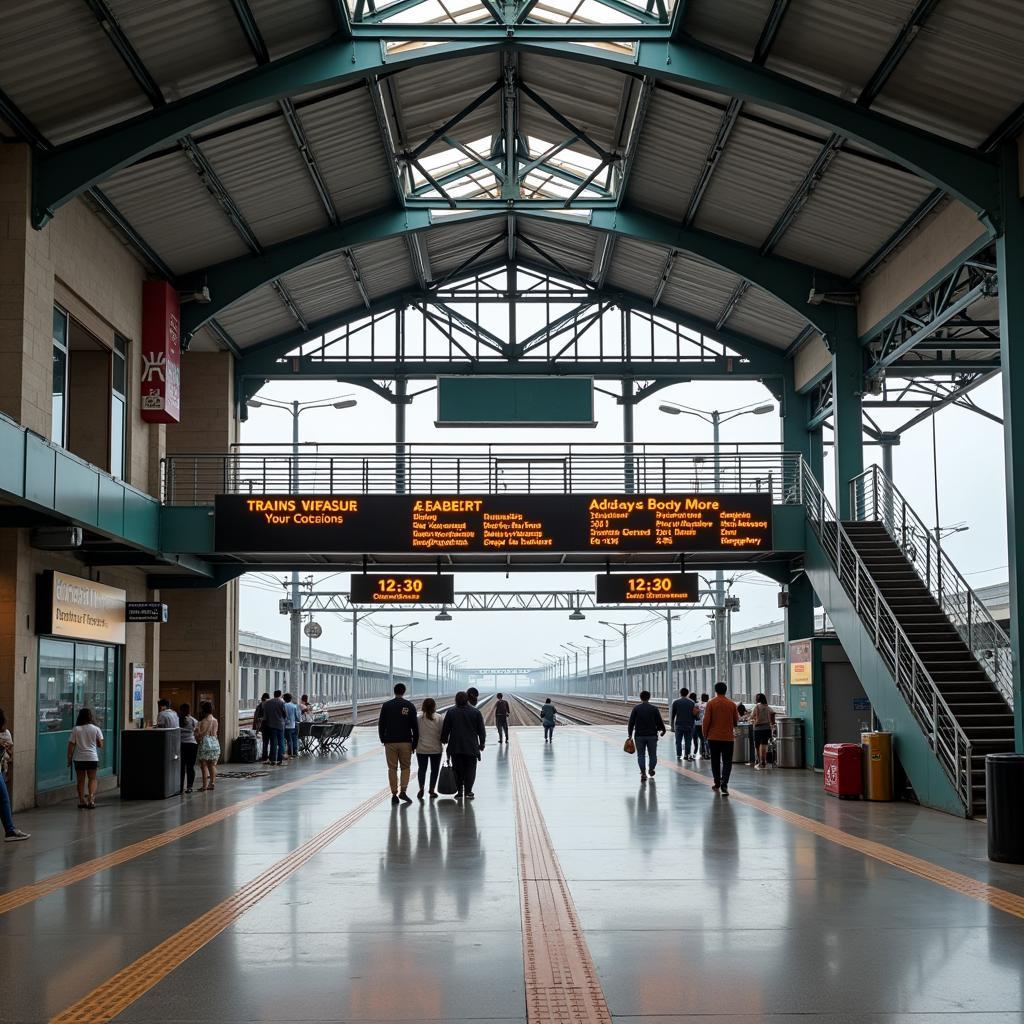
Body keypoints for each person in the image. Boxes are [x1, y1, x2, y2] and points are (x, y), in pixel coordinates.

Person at [378, 682, 419, 805]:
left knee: (392, 768)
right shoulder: (409, 705)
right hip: (406, 742)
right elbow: (415, 727)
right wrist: (415, 743)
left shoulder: (386, 705)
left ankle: (394, 794)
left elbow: (381, 724)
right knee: (405, 767)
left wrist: (383, 739)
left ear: (394, 691)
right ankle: (403, 791)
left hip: (390, 742)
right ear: (404, 691)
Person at [440, 691, 486, 800]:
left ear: (456, 700)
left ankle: (460, 791)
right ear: (467, 700)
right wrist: (482, 743)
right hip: (471, 747)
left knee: (457, 770)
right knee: (470, 770)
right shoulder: (475, 712)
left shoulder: (451, 712)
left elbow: (446, 729)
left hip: (456, 747)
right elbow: (481, 730)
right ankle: (469, 791)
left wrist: (444, 739)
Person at [703, 682, 740, 795]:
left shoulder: (711, 703)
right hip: (728, 738)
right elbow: (736, 721)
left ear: (715, 690)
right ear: (726, 690)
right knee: (727, 761)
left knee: (715, 760)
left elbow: (706, 720)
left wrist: (705, 734)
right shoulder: (732, 704)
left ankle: (717, 782)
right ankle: (725, 783)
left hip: (713, 737)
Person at [0, 708, 29, 841]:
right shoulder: (4, 735)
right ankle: (10, 831)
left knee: (4, 800)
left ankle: (10, 830)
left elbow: (10, 755)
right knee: (4, 800)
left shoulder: (5, 735)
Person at [67, 707, 103, 809]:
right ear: (91, 717)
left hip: (79, 759)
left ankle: (82, 800)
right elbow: (100, 745)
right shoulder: (96, 729)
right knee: (92, 779)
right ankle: (91, 799)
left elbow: (71, 746)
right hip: (92, 758)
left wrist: (69, 759)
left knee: (80, 780)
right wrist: (95, 740)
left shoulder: (76, 729)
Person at [627, 690, 666, 781]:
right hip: (652, 735)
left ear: (640, 698)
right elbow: (659, 721)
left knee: (641, 755)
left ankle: (643, 773)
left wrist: (629, 734)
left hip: (639, 736)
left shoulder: (636, 708)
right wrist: (663, 730)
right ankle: (651, 769)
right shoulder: (654, 708)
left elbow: (631, 722)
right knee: (653, 754)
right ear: (649, 697)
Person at [416, 697, 444, 800]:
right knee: (434, 770)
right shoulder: (439, 718)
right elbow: (442, 733)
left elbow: (416, 733)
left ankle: (421, 787)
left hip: (421, 748)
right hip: (436, 748)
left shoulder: (419, 718)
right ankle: (432, 790)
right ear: (434, 707)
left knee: (422, 769)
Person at [195, 701, 221, 791]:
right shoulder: (215, 720)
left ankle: (204, 785)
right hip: (215, 743)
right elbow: (215, 733)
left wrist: (197, 732)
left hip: (206, 744)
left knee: (204, 765)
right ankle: (212, 783)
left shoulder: (204, 721)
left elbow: (201, 735)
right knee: (212, 765)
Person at [670, 687, 697, 761]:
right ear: (687, 693)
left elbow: (673, 715)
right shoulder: (692, 702)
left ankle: (679, 755)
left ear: (680, 693)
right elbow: (694, 715)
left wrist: (672, 726)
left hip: (679, 725)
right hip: (689, 725)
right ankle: (687, 755)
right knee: (688, 741)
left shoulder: (675, 702)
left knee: (678, 741)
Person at [262, 690, 287, 766]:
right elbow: (285, 714)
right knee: (281, 743)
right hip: (280, 725)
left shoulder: (267, 703)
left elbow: (265, 715)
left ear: (274, 694)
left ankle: (272, 759)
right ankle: (280, 760)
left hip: (270, 725)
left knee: (273, 743)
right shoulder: (281, 703)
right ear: (280, 695)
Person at [750, 692, 774, 769]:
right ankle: (764, 760)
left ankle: (759, 760)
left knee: (757, 745)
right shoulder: (768, 707)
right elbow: (772, 715)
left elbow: (751, 716)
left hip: (757, 728)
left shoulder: (756, 707)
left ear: (757, 699)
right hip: (767, 728)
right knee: (764, 744)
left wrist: (751, 719)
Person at [178, 703, 198, 794]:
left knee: (181, 767)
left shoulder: (178, 720)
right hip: (192, 745)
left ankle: (180, 787)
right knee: (190, 767)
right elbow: (197, 732)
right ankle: (189, 787)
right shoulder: (193, 720)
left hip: (181, 745)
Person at [253, 693, 271, 762]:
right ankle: (266, 755)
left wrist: (255, 728)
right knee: (266, 741)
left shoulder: (259, 706)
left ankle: (264, 756)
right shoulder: (267, 706)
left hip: (261, 726)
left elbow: (256, 717)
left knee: (264, 742)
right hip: (266, 726)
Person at [283, 693, 301, 760]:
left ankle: (289, 753)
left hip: (285, 726)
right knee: (294, 739)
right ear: (291, 699)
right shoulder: (294, 706)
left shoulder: (283, 705)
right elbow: (297, 717)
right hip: (293, 725)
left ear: (284, 699)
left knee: (288, 740)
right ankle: (294, 753)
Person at [694, 692, 711, 759]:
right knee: (706, 738)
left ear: (701, 698)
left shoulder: (697, 705)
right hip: (706, 723)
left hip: (698, 724)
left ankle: (702, 752)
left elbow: (694, 714)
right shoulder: (709, 704)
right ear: (707, 698)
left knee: (701, 738)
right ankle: (708, 753)